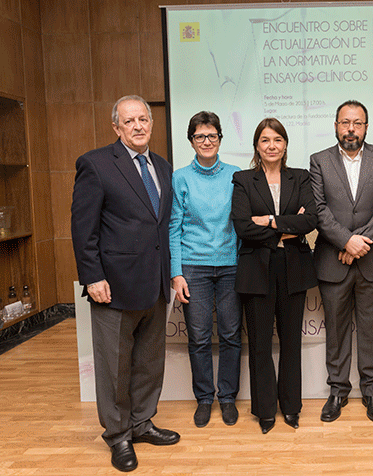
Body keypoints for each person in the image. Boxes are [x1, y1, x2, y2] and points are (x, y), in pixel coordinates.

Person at [71, 95, 179, 472]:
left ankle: (142, 422)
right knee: (114, 366)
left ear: (151, 124)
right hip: (113, 286)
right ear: (117, 127)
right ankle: (118, 436)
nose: (138, 126)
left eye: (143, 120)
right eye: (129, 121)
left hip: (155, 282)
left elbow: (159, 226)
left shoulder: (162, 167)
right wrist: (92, 276)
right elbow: (83, 228)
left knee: (149, 362)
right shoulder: (96, 164)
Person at [310, 100, 373, 423]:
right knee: (335, 331)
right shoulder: (318, 161)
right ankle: (337, 391)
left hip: (372, 260)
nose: (351, 128)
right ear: (335, 126)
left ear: (366, 127)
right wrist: (346, 241)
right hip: (333, 260)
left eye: (358, 123)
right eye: (345, 122)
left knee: (371, 330)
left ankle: (372, 392)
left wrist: (358, 242)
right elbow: (319, 209)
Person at [231, 118, 318, 434]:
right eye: (265, 140)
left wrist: (267, 220)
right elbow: (243, 226)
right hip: (256, 270)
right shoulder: (242, 180)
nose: (271, 145)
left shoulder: (301, 178)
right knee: (259, 344)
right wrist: (284, 228)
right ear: (257, 145)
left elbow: (309, 220)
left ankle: (291, 407)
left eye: (277, 139)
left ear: (285, 145)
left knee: (291, 341)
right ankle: (265, 410)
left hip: (292, 268)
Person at [169, 111, 242, 429]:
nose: (207, 141)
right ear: (191, 141)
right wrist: (176, 272)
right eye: (200, 136)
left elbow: (242, 223)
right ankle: (204, 399)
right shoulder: (180, 177)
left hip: (230, 267)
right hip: (193, 268)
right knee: (198, 338)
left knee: (230, 335)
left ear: (220, 139)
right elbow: (173, 227)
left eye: (212, 135)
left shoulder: (236, 174)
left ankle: (227, 398)